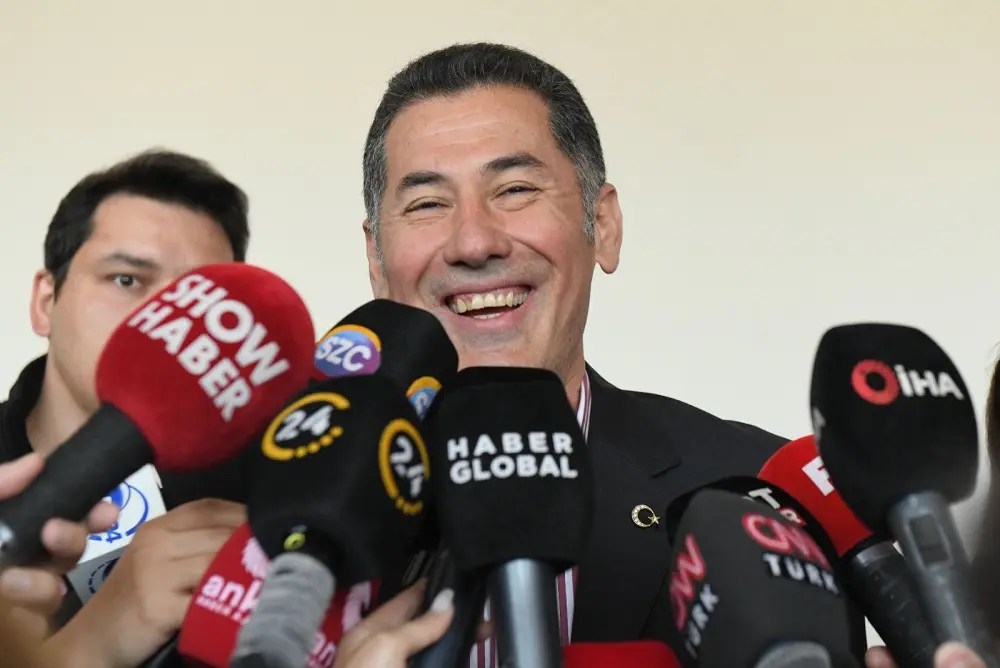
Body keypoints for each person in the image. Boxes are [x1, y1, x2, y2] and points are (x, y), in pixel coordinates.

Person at [357, 41, 868, 660]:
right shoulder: (276, 526)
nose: (473, 242)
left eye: (515, 189)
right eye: (427, 204)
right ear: (377, 260)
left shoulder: (761, 496)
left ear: (603, 227)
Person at [0, 149, 251, 666]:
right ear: (46, 301)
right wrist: (94, 640)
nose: (166, 319)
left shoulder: (272, 485)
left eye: (198, 296)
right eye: (127, 280)